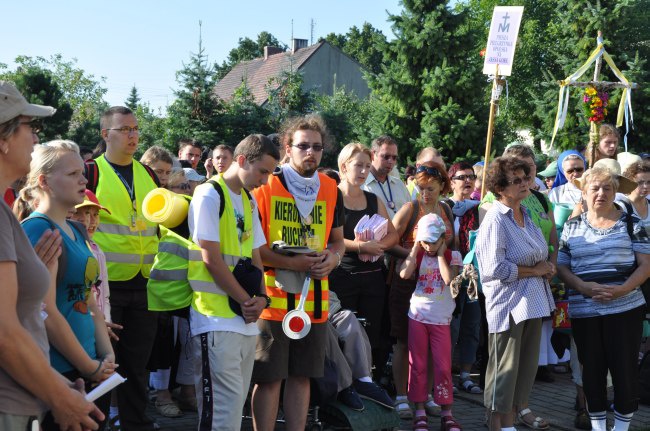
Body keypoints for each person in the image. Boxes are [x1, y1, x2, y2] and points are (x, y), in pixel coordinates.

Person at [0, 80, 104, 431]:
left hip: (34, 388)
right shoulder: (34, 227)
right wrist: (65, 391)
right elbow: (6, 329)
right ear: (3, 139)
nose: (35, 138)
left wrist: (60, 382)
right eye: (31, 126)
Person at [251, 114, 345, 431]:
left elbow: (337, 242)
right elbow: (254, 248)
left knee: (302, 376)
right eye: (303, 146)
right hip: (272, 296)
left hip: (313, 301)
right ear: (287, 147)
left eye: (317, 147)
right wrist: (295, 264)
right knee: (269, 378)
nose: (311, 153)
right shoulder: (266, 186)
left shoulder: (332, 188)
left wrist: (333, 259)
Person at [18, 140, 117, 430]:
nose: (84, 180)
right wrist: (90, 366)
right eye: (73, 174)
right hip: (58, 371)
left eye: (82, 173)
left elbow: (89, 299)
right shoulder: (38, 229)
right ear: (44, 181)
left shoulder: (76, 228)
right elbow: (45, 311)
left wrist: (106, 354)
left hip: (90, 365)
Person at [187, 134, 279, 430]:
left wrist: (262, 298)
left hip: (243, 318)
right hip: (214, 317)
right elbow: (210, 258)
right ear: (241, 160)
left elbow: (255, 256)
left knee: (233, 406)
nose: (265, 181)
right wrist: (246, 300)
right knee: (221, 412)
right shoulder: (209, 193)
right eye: (262, 171)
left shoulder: (249, 200)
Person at [557, 166, 648, 431]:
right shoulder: (572, 226)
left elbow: (646, 265)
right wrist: (582, 286)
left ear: (615, 192)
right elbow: (562, 266)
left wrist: (623, 289)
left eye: (607, 188)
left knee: (624, 371)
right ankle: (598, 427)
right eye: (594, 188)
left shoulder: (632, 223)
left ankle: (621, 428)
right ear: (583, 193)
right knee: (592, 372)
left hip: (625, 309)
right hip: (585, 311)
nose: (601, 193)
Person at [86, 106, 161, 431]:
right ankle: (96, 424)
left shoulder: (149, 174)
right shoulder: (92, 172)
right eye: (124, 129)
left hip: (145, 285)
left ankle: (136, 424)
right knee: (103, 365)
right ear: (106, 134)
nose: (133, 135)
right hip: (105, 288)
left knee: (137, 365)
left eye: (135, 129)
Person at [475, 156, 556, 431]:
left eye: (525, 178)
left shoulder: (526, 216)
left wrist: (545, 269)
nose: (524, 184)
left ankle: (510, 422)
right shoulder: (495, 218)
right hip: (508, 306)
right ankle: (499, 425)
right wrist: (535, 270)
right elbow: (492, 268)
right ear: (500, 187)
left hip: (533, 302)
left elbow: (540, 254)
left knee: (524, 371)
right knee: (505, 372)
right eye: (516, 180)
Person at [389, 161, 454, 419]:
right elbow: (388, 242)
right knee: (404, 342)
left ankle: (425, 395)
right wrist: (417, 254)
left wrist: (442, 256)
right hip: (408, 283)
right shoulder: (410, 208)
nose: (425, 194)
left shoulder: (446, 209)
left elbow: (453, 243)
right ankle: (402, 395)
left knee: (430, 348)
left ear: (442, 187)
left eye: (431, 188)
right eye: (421, 188)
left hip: (438, 287)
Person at [328, 143, 398, 373]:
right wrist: (360, 246)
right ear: (344, 165)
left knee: (371, 334)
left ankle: (368, 381)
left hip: (372, 278)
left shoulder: (372, 199)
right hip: (342, 275)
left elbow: (393, 234)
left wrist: (379, 246)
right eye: (358, 165)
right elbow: (327, 239)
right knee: (344, 335)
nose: (363, 171)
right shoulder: (330, 196)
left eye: (367, 166)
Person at [400, 213, 463, 431]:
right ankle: (419, 410)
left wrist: (440, 254)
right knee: (417, 364)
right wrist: (416, 247)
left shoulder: (453, 256)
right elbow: (404, 274)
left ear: (443, 238)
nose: (429, 246)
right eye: (425, 241)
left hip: (441, 319)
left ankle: (446, 412)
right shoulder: (418, 254)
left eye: (433, 241)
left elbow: (447, 279)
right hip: (417, 315)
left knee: (443, 366)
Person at [446, 162, 482, 395]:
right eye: (461, 177)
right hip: (449, 274)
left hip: (473, 275)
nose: (467, 181)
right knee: (451, 327)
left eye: (471, 177)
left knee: (472, 324)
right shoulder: (444, 207)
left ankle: (466, 375)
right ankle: (445, 374)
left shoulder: (479, 209)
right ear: (451, 182)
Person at [362, 135, 411, 217]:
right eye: (386, 156)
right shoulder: (362, 186)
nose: (391, 161)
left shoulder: (400, 185)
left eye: (394, 157)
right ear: (372, 155)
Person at [621, 159, 650, 230]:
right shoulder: (621, 207)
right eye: (640, 182)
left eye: (649, 182)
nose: (645, 186)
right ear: (630, 183)